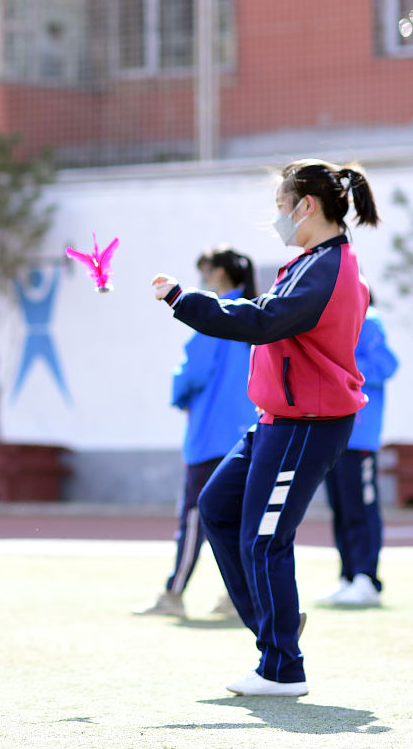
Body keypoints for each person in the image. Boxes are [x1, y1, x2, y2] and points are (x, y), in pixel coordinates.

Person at [151, 159, 379, 697]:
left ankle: (282, 667)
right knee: (216, 507)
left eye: (281, 206)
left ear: (307, 206)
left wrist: (185, 300)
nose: (277, 217)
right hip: (281, 420)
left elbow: (261, 320)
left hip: (307, 423)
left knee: (265, 538)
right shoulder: (313, 262)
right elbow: (264, 313)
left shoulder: (329, 269)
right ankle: (275, 631)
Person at [135, 248, 257, 618]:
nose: (202, 277)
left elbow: (192, 372)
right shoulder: (254, 312)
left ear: (218, 273)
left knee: (193, 516)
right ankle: (240, 599)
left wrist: (177, 392)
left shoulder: (215, 313)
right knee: (239, 520)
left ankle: (174, 594)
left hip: (211, 433)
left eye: (205, 270)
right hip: (247, 429)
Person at [318, 294, 398, 607]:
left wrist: (338, 362)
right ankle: (349, 576)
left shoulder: (369, 318)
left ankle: (367, 579)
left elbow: (385, 365)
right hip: (334, 430)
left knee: (361, 507)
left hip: (360, 434)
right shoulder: (336, 321)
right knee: (341, 507)